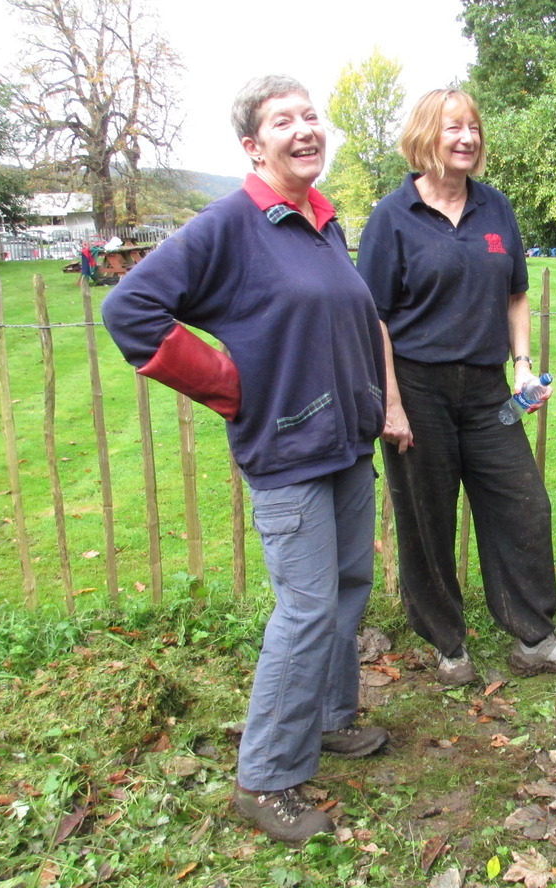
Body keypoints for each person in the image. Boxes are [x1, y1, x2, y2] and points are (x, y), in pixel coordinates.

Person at [102, 75, 388, 844]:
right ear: (252, 146)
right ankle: (265, 778)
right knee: (303, 610)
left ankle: (328, 718)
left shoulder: (322, 221)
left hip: (343, 444)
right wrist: (229, 384)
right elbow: (127, 310)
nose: (304, 129)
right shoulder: (231, 224)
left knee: (346, 589)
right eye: (281, 121)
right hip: (287, 448)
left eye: (310, 116)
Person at [356, 89, 556, 686]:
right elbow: (376, 319)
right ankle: (449, 646)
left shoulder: (495, 209)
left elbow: (516, 292)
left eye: (473, 128)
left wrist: (521, 365)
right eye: (452, 128)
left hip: (489, 391)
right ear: (425, 136)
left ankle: (535, 638)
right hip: (417, 388)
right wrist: (390, 403)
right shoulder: (393, 217)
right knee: (427, 520)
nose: (467, 138)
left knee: (523, 505)